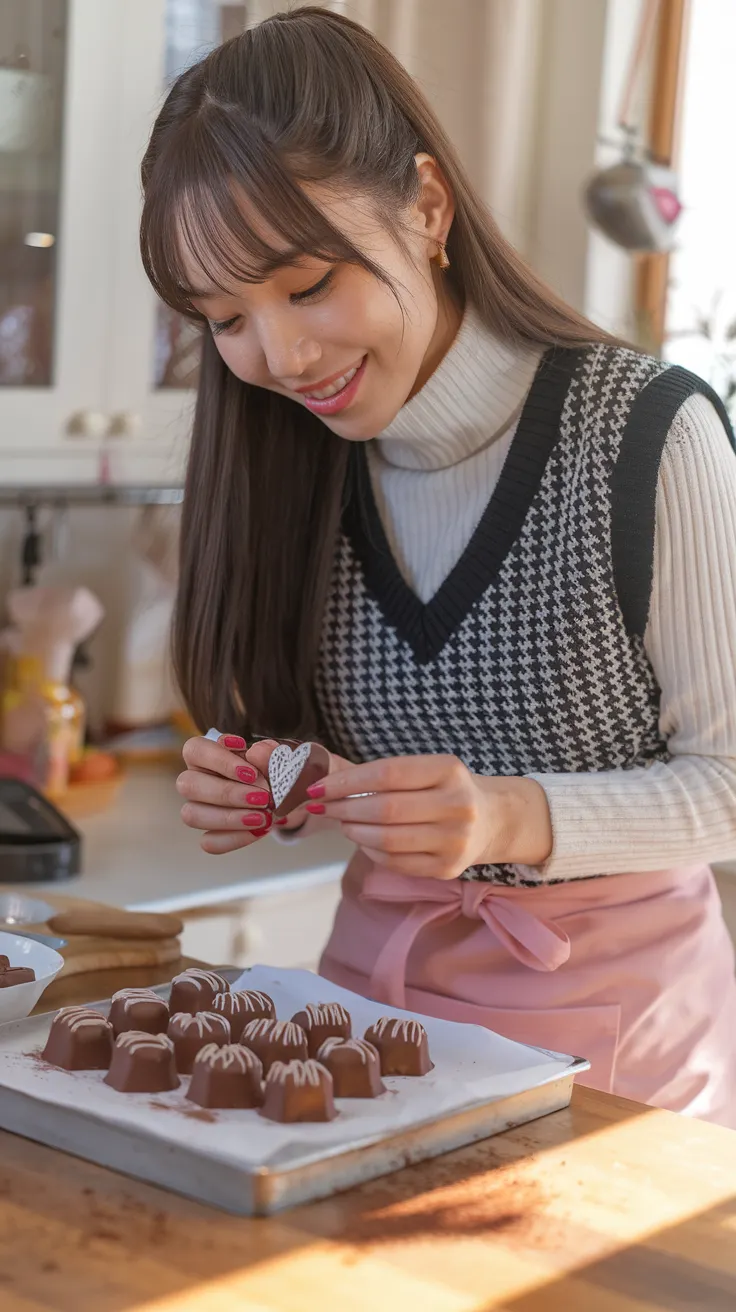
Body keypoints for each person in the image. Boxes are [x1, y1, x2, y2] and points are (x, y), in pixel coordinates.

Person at [140, 8, 736, 1124]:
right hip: (367, 1012)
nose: (280, 357)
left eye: (308, 284)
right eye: (225, 318)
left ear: (424, 205)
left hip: (616, 1045)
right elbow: (344, 737)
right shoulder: (296, 455)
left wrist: (509, 818)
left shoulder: (644, 435)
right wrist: (271, 776)